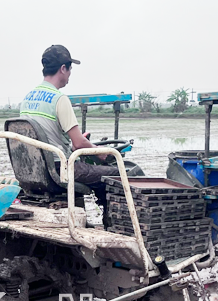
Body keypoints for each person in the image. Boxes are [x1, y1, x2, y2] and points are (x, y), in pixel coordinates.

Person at [19, 45, 143, 211]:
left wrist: (75, 143)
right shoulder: (59, 99)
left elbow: (43, 138)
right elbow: (78, 144)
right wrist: (100, 151)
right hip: (60, 169)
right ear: (63, 69)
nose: (70, 74)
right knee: (117, 173)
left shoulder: (27, 99)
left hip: (34, 169)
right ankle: (111, 222)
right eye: (70, 69)